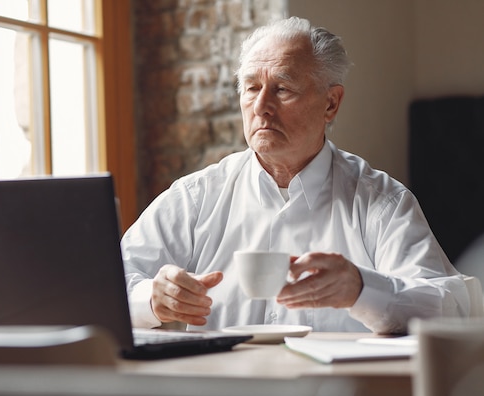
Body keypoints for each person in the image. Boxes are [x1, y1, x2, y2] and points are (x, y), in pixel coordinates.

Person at [121, 16, 469, 334]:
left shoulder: (381, 202)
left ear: (331, 103)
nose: (261, 107)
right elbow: (106, 284)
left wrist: (363, 289)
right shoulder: (195, 198)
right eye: (252, 87)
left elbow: (449, 306)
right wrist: (153, 298)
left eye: (283, 89)